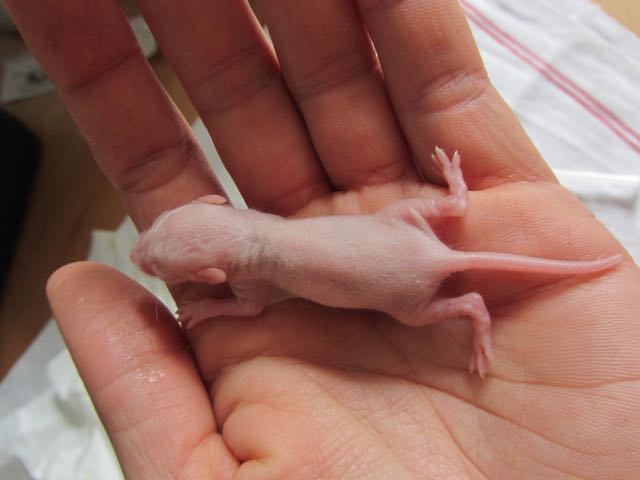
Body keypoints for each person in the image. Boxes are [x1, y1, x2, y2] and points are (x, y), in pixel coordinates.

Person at [6, 1, 639, 477]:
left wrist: (214, 311)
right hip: (405, 243)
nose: (144, 251)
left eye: (156, 246)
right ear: (211, 213)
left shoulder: (251, 282)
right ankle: (457, 205)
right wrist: (451, 187)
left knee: (431, 298)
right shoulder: (245, 233)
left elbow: (247, 307)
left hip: (403, 285)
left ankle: (470, 309)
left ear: (209, 276)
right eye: (158, 248)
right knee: (422, 227)